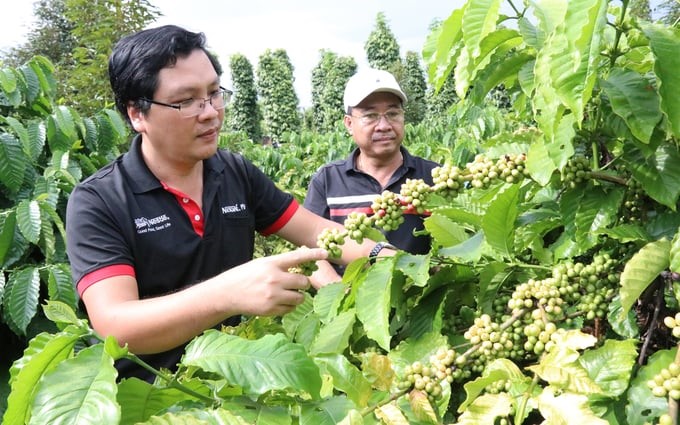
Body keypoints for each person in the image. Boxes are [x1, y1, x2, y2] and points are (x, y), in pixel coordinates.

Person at [65, 25, 393, 382]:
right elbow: (117, 325)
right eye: (186, 101)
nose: (210, 113)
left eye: (213, 93)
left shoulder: (234, 172)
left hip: (237, 393)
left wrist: (397, 260)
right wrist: (228, 294)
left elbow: (317, 231)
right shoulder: (99, 201)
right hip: (150, 399)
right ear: (137, 114)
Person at [304, 68, 440, 278]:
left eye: (393, 114)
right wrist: (344, 297)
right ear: (349, 124)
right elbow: (310, 250)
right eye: (370, 116)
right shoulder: (327, 180)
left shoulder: (433, 176)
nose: (384, 126)